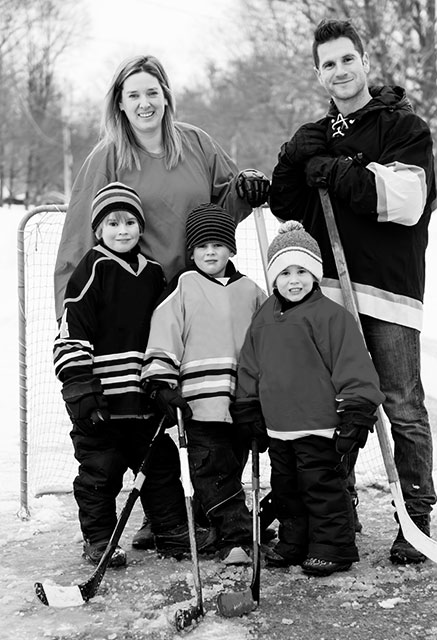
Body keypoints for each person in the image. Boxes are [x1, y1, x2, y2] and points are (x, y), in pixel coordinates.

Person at [268, 18, 437, 565]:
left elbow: (406, 199)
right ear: (318, 74)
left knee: (401, 405)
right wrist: (295, 159)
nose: (339, 71)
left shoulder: (402, 126)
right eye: (328, 64)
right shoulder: (319, 134)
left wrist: (340, 172)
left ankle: (416, 514)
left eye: (346, 59)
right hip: (332, 293)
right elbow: (287, 206)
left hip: (388, 290)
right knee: (334, 404)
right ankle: (335, 512)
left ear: (364, 61)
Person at [53, 182, 215, 566]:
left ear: (141, 227)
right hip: (102, 404)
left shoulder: (155, 274)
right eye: (112, 223)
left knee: (160, 470)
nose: (122, 230)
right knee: (99, 475)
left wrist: (163, 382)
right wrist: (81, 392)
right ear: (98, 230)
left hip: (143, 400)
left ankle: (172, 530)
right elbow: (72, 331)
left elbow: (166, 332)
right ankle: (100, 540)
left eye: (129, 222)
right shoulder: (91, 270)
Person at [53, 54, 269, 323]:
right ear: (120, 103)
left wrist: (246, 186)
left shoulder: (196, 143)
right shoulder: (106, 158)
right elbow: (78, 240)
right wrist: (68, 315)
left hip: (198, 290)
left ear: (166, 97)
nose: (145, 103)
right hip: (134, 299)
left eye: (152, 92)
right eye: (133, 95)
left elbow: (224, 211)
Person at [232, 221, 384, 577]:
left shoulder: (332, 317)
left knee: (321, 488)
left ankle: (333, 547)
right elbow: (250, 367)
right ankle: (294, 542)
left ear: (316, 275)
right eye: (284, 272)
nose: (294, 280)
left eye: (302, 271)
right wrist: (248, 406)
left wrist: (357, 411)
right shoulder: (263, 317)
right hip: (280, 428)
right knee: (287, 490)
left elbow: (355, 367)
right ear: (273, 278)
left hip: (320, 426)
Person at [141, 203, 267, 565]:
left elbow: (267, 343)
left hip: (241, 403)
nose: (209, 252)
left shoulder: (252, 291)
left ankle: (213, 522)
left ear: (231, 249)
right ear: (191, 251)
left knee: (231, 467)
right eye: (201, 246)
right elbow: (164, 337)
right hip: (198, 405)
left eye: (217, 245)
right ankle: (237, 538)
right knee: (212, 469)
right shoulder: (183, 287)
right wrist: (161, 384)